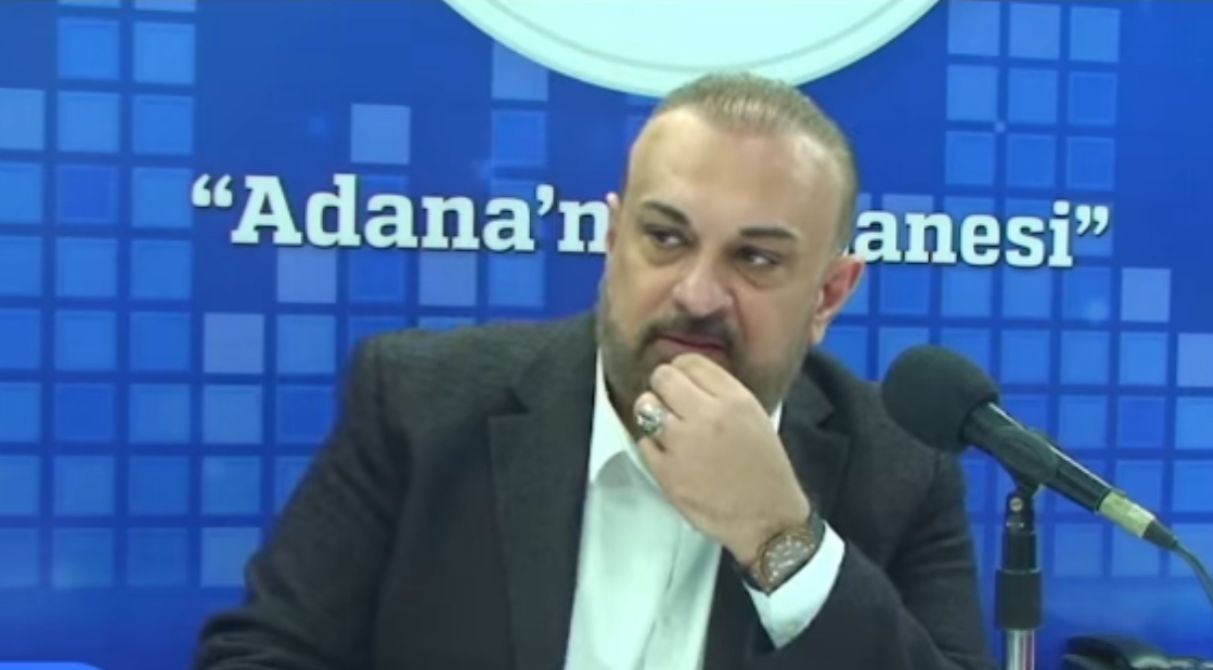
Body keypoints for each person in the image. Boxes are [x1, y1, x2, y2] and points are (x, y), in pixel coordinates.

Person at [194, 71, 995, 669]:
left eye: (755, 258)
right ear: (614, 241)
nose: (697, 293)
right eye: (666, 238)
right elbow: (260, 656)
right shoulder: (419, 405)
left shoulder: (900, 470)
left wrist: (781, 539)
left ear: (828, 294)